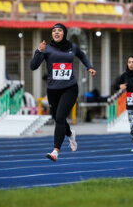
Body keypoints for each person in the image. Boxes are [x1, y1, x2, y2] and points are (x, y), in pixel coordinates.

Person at [30, 23, 96, 162]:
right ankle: (70, 134)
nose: (56, 32)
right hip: (53, 90)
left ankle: (55, 151)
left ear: (64, 33)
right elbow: (33, 66)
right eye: (54, 31)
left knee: (60, 118)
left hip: (69, 88)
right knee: (58, 118)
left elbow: (82, 55)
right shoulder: (46, 48)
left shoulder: (72, 47)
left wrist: (89, 67)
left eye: (59, 30)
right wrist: (38, 51)